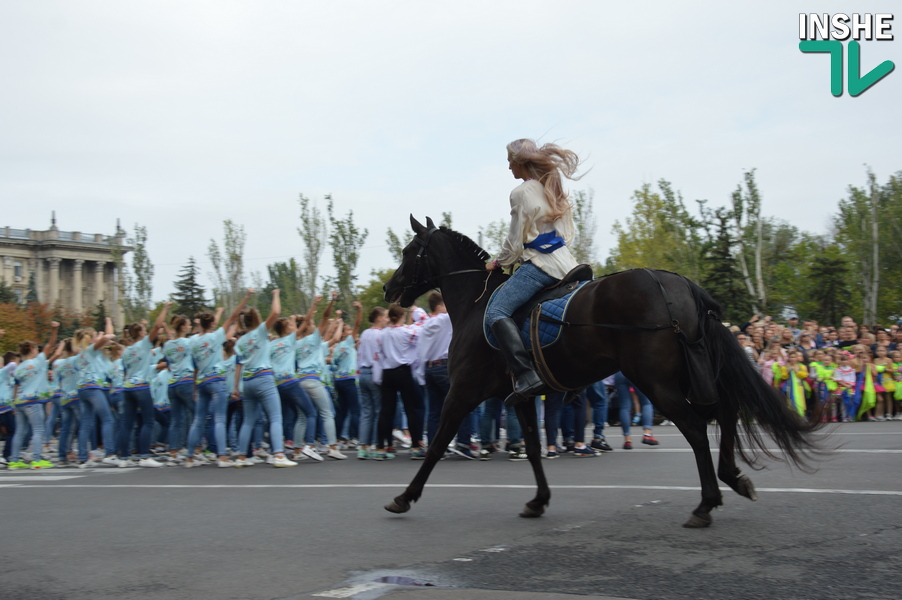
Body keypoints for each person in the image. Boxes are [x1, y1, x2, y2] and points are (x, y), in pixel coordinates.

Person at [485, 139, 583, 407]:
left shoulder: (521, 192)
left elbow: (515, 241)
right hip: (568, 265)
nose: (508, 167)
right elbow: (567, 235)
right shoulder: (552, 189)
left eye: (509, 161)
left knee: (496, 312)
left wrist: (498, 262)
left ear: (519, 161)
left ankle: (526, 375)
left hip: (540, 266)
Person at [233, 289, 297, 467]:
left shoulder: (240, 341)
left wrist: (235, 388)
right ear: (257, 320)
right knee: (276, 417)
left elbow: (238, 365)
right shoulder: (260, 332)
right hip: (264, 378)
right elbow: (276, 312)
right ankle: (278, 455)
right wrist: (276, 294)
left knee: (248, 421)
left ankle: (241, 457)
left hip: (247, 382)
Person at [186, 291, 251, 467]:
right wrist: (245, 298)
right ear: (213, 323)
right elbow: (233, 316)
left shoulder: (192, 341)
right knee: (220, 419)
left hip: (201, 382)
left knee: (198, 420)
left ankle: (190, 457)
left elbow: (195, 366)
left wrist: (194, 388)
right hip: (216, 380)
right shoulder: (216, 336)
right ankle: (222, 456)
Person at [119, 305, 170, 467]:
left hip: (127, 387)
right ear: (141, 333)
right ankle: (144, 456)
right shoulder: (144, 344)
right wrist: (165, 309)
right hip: (141, 386)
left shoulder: (126, 350)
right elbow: (157, 326)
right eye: (143, 330)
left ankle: (123, 457)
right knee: (148, 421)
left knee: (127, 423)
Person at [7, 322, 60, 469]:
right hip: (34, 401)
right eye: (36, 348)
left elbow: (16, 386)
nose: (38, 350)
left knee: (20, 431)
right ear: (31, 349)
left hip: (19, 402)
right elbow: (51, 344)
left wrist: (13, 402)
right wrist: (54, 329)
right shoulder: (38, 361)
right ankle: (36, 459)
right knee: (38, 430)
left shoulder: (18, 368)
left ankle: (14, 460)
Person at [376, 304, 425, 460]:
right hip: (403, 371)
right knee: (411, 409)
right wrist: (415, 312)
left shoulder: (382, 334)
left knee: (386, 411)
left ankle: (380, 448)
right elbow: (422, 326)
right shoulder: (406, 331)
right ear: (402, 316)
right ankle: (416, 446)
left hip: (387, 372)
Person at [356, 306, 386, 459]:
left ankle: (363, 446)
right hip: (374, 373)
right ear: (379, 318)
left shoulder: (365, 333)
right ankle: (375, 445)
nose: (388, 319)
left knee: (366, 412)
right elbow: (379, 356)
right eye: (385, 316)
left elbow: (360, 354)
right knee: (378, 412)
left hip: (363, 373)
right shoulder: (380, 334)